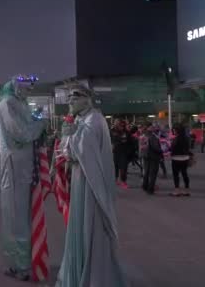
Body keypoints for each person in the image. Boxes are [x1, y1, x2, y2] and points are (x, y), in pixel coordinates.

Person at [55, 83, 127, 287]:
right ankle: (78, 271)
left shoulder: (94, 119)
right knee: (80, 223)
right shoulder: (81, 119)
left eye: (75, 97)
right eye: (69, 97)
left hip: (92, 183)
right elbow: (67, 149)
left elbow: (79, 150)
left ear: (87, 99)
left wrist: (69, 136)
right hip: (81, 178)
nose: (70, 100)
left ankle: (94, 276)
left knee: (91, 225)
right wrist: (68, 135)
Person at [0, 76, 45, 281]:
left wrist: (35, 119)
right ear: (17, 87)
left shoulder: (20, 103)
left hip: (22, 165)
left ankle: (23, 264)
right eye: (25, 88)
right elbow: (20, 133)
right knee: (15, 213)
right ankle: (20, 263)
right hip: (14, 164)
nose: (28, 92)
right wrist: (39, 125)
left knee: (19, 213)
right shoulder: (7, 103)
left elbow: (25, 129)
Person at [170, 124, 192, 197]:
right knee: (184, 174)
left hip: (176, 158)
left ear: (177, 131)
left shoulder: (176, 139)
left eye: (174, 130)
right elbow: (188, 148)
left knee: (176, 175)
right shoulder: (186, 138)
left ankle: (177, 191)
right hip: (185, 158)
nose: (173, 131)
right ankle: (187, 190)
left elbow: (173, 149)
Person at [143, 122, 163, 195]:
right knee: (153, 173)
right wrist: (161, 151)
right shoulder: (152, 136)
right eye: (152, 127)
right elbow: (156, 147)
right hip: (153, 156)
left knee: (147, 172)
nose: (154, 128)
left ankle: (145, 186)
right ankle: (150, 189)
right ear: (149, 127)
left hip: (145, 155)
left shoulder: (143, 135)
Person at [111, 120, 130, 188]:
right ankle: (115, 179)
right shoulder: (112, 131)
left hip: (123, 152)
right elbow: (110, 139)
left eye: (121, 125)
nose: (120, 126)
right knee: (115, 166)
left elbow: (128, 140)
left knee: (123, 167)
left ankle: (123, 181)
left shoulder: (126, 132)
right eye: (118, 124)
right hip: (115, 152)